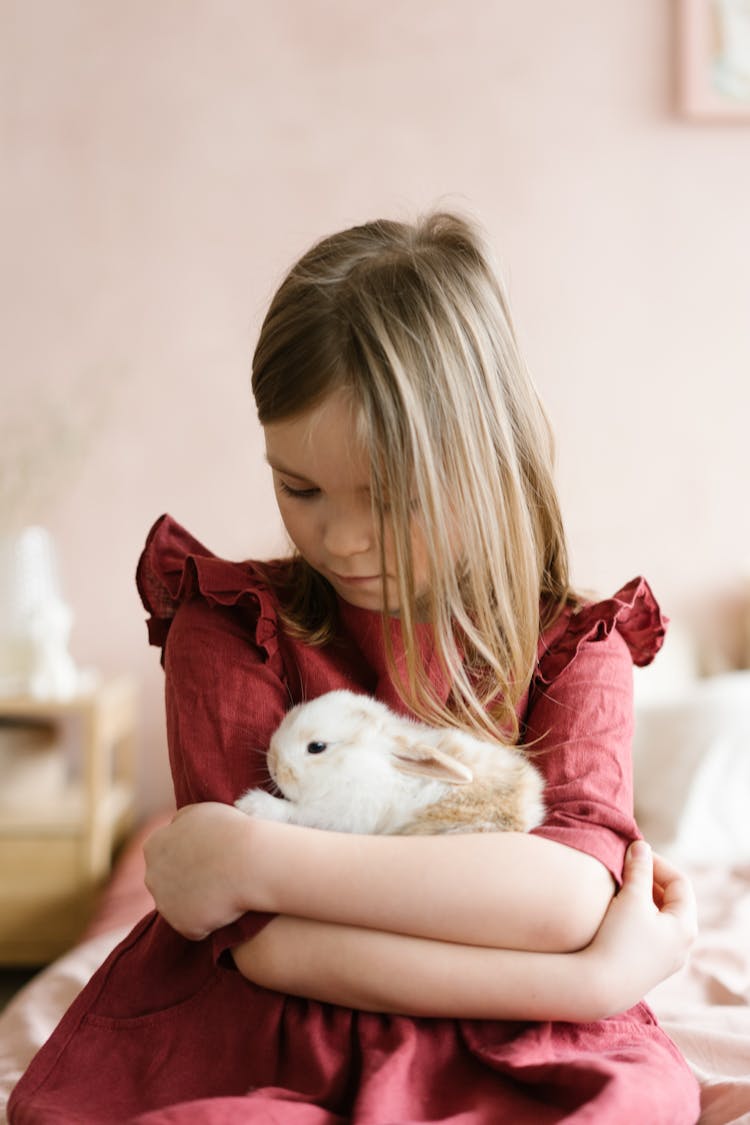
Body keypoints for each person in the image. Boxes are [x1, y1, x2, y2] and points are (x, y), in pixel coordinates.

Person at [9, 211, 700, 1123]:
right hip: (266, 1034)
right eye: (299, 488)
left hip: (530, 1038)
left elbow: (567, 898)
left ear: (485, 462)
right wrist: (566, 961)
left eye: (388, 496)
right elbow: (260, 947)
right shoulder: (228, 624)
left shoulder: (579, 645)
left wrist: (252, 853)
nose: (337, 536)